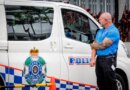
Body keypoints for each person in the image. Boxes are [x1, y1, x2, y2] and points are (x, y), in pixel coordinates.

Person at [90, 12, 120, 90]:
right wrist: (93, 58)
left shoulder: (113, 31)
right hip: (99, 59)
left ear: (106, 20)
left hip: (108, 60)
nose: (99, 20)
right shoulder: (100, 31)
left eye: (100, 19)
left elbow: (102, 45)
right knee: (100, 82)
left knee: (110, 82)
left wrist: (92, 45)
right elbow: (95, 47)